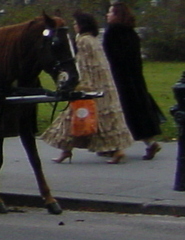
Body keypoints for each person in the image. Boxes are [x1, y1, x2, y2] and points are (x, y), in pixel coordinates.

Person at [42, 11, 133, 163]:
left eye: (76, 24)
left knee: (73, 117)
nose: (74, 26)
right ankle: (70, 150)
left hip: (90, 86)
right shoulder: (93, 40)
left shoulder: (83, 41)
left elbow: (84, 65)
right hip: (104, 85)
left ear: (82, 25)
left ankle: (67, 150)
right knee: (101, 118)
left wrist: (80, 84)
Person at [104, 0, 165, 160]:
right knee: (137, 112)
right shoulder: (131, 33)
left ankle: (115, 147)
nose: (107, 15)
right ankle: (150, 142)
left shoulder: (112, 33)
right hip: (134, 78)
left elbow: (110, 57)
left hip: (118, 78)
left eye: (110, 12)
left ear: (117, 15)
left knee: (117, 112)